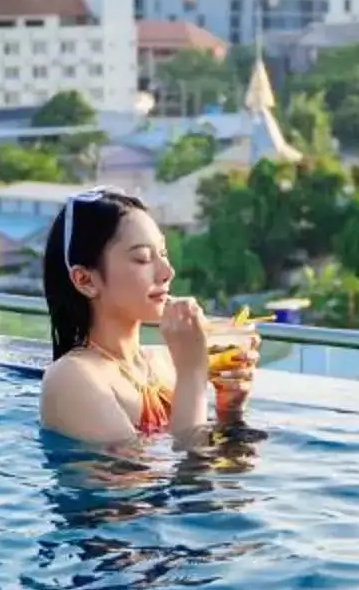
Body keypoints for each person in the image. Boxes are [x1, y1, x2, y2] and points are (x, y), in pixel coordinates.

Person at [37, 188, 257, 449]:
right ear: (85, 280)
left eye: (163, 253)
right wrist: (193, 375)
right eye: (142, 258)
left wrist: (230, 412)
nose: (167, 272)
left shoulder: (166, 362)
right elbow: (179, 483)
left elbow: (227, 478)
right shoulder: (72, 380)